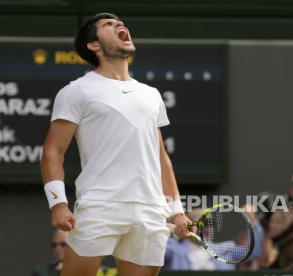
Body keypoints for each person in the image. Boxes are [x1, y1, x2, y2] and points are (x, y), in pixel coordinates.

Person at [40, 12, 193, 276]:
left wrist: (176, 211)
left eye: (120, 23)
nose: (119, 25)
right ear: (94, 45)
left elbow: (160, 158)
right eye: (109, 24)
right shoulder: (76, 91)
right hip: (100, 206)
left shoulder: (151, 94)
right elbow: (53, 151)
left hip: (150, 210)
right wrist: (58, 204)